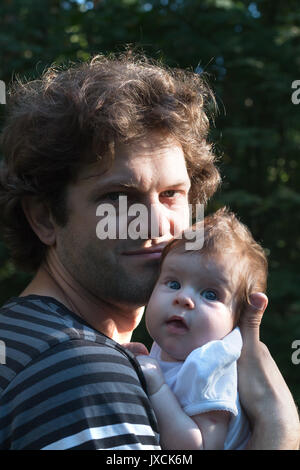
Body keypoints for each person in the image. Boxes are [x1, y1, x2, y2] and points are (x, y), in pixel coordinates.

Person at [0, 52, 298, 450]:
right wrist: (280, 427)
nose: (157, 224)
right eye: (119, 197)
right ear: (45, 218)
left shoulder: (21, 338)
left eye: (172, 194)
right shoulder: (84, 376)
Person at [136, 208, 267, 450]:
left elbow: (202, 447)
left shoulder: (211, 364)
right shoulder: (169, 347)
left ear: (237, 318)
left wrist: (155, 386)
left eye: (210, 294)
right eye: (173, 283)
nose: (183, 298)